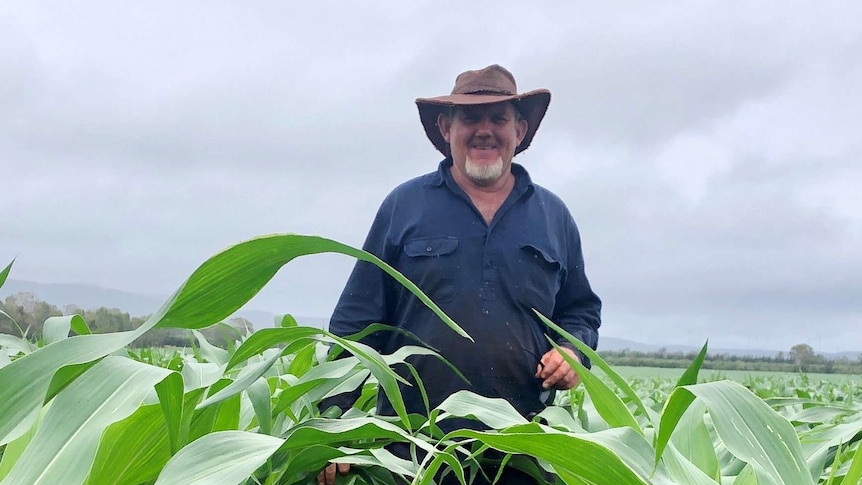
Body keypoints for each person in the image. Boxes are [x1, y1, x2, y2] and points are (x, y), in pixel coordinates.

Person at [318, 64, 601, 485]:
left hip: (522, 453)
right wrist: (333, 426)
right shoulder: (404, 207)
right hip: (412, 454)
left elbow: (580, 312)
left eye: (498, 118)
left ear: (519, 131)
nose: (484, 130)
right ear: (446, 127)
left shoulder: (553, 217)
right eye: (470, 117)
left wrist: (572, 353)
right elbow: (356, 328)